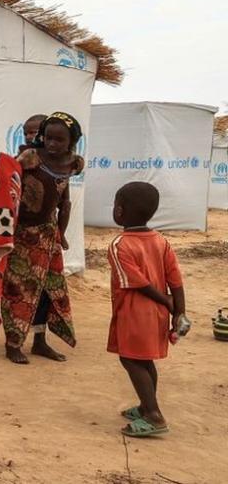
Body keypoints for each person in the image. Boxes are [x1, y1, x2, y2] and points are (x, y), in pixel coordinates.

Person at [1, 112, 84, 364]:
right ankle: (13, 344)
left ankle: (39, 342)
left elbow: (65, 202)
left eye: (59, 140)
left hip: (48, 236)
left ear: (71, 142)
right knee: (19, 289)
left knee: (47, 291)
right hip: (23, 235)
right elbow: (7, 182)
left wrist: (62, 234)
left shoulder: (72, 164)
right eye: (48, 138)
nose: (52, 144)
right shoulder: (30, 158)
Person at [108, 182, 190, 437]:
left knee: (130, 358)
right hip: (158, 315)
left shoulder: (119, 244)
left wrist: (165, 301)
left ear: (119, 211)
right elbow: (175, 278)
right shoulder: (161, 241)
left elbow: (135, 281)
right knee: (145, 359)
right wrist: (179, 311)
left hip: (135, 313)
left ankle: (154, 415)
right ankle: (146, 406)